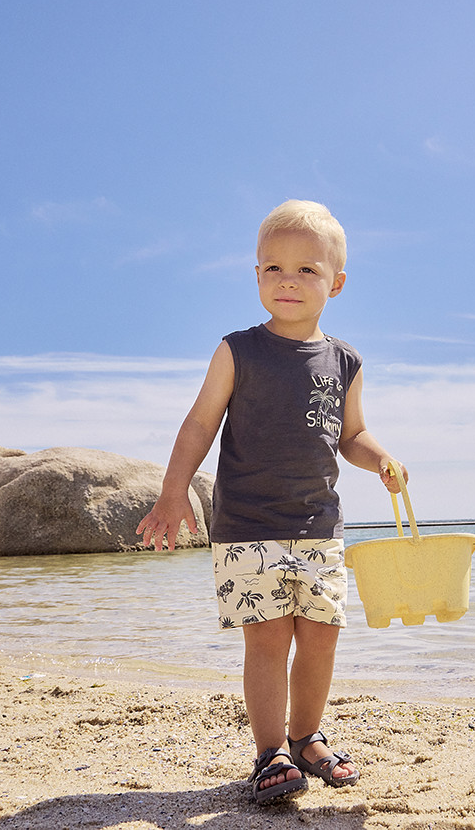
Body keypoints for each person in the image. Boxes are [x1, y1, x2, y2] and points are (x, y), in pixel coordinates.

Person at [136, 200, 407, 804]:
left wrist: (381, 459)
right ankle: (270, 752)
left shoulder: (345, 361)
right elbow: (200, 424)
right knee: (267, 641)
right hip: (247, 527)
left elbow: (351, 435)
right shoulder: (238, 350)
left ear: (336, 283)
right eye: (273, 268)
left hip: (319, 526)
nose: (288, 280)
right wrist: (173, 492)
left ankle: (307, 736)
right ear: (256, 275)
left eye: (307, 269)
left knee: (321, 637)